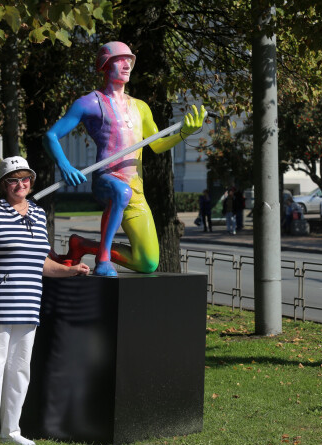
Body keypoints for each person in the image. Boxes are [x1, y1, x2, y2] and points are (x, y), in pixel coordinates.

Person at [43, 41, 206, 276]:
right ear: (105, 65)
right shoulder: (90, 102)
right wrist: (66, 166)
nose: (127, 65)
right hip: (107, 181)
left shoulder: (141, 107)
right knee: (121, 192)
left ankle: (83, 245)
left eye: (129, 60)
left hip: (135, 190)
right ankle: (104, 259)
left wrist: (184, 133)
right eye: (121, 60)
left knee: (147, 263)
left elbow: (158, 146)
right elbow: (51, 136)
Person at [0, 157, 89, 445]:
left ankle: (11, 431)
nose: (21, 185)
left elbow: (41, 262)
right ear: (3, 185)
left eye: (25, 179)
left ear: (31, 182)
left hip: (28, 307)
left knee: (19, 371)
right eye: (13, 180)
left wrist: (70, 270)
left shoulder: (38, 214)